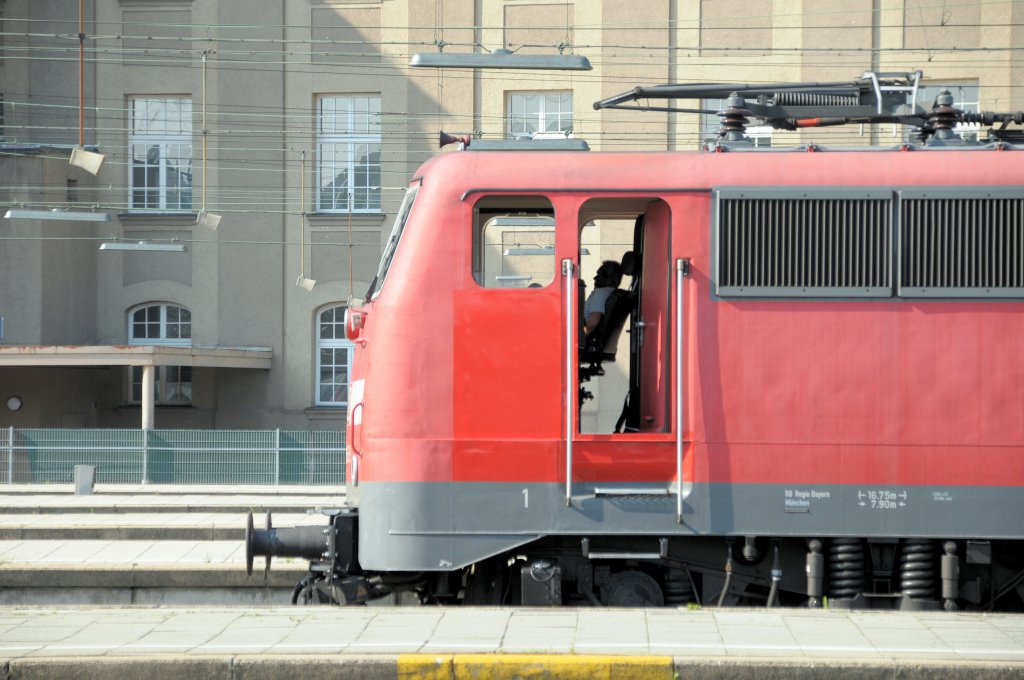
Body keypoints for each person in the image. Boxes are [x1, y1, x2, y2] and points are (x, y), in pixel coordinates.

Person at [583, 260, 622, 335]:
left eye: (598, 275)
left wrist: (577, 337)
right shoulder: (610, 292)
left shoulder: (601, 293)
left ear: (607, 278)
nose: (595, 278)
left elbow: (594, 322)